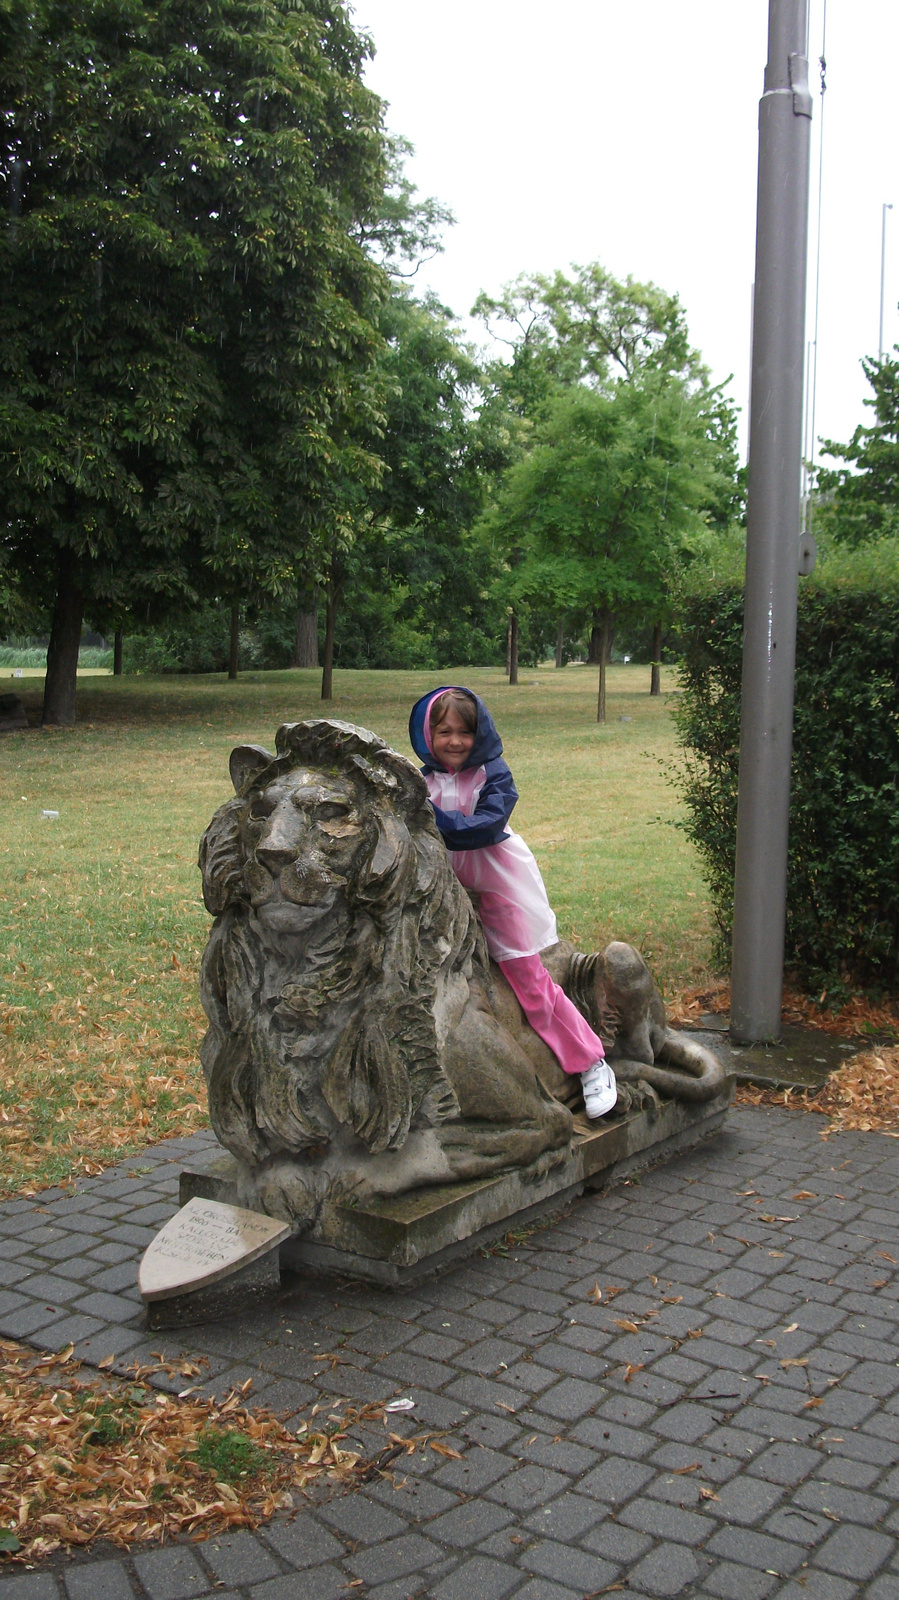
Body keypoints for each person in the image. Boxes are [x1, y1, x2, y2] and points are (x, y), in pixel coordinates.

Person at [409, 685, 617, 1119]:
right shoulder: (419, 780)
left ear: (479, 732)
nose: (454, 742)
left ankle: (590, 1062)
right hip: (441, 891)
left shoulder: (494, 775)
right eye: (444, 731)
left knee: (527, 979)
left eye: (464, 732)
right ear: (428, 735)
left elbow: (482, 828)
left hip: (496, 888)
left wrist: (427, 815)